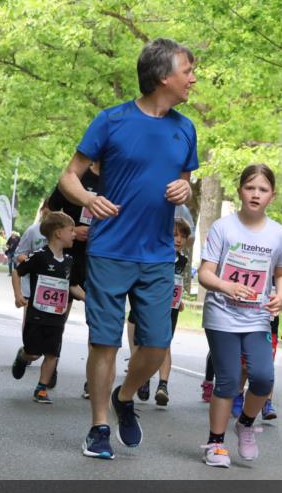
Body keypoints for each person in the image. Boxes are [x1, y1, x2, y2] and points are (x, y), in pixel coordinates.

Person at [58, 37, 198, 460]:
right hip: (110, 249)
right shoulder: (111, 120)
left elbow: (185, 184)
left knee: (155, 344)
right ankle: (100, 426)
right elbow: (69, 176)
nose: (193, 78)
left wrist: (184, 188)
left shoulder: (185, 128)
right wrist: (87, 199)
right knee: (104, 342)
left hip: (157, 254)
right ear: (162, 77)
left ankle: (126, 395)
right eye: (187, 70)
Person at [197, 164, 282, 468]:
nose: (255, 194)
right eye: (250, 187)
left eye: (262, 189)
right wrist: (227, 285)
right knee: (229, 379)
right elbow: (205, 274)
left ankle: (246, 424)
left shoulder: (279, 235)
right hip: (222, 315)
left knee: (263, 377)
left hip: (257, 317)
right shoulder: (224, 228)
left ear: (271, 196)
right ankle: (215, 443)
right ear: (240, 191)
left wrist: (281, 296)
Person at [11, 211, 85, 403]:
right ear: (58, 233)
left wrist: (89, 299)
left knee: (53, 353)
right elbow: (17, 272)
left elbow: (73, 286)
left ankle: (41, 388)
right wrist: (19, 295)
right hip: (37, 315)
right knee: (33, 352)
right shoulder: (39, 257)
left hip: (57, 317)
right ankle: (23, 356)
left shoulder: (69, 261)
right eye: (71, 230)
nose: (75, 234)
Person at [48, 162, 102, 399]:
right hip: (69, 255)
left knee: (98, 321)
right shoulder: (75, 176)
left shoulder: (117, 177)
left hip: (100, 259)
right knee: (59, 316)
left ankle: (93, 380)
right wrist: (72, 230)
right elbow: (48, 214)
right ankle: (49, 366)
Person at [137, 217, 191, 407]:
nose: (178, 240)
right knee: (148, 345)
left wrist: (179, 299)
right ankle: (143, 378)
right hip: (151, 307)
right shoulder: (155, 254)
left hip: (171, 309)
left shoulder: (183, 260)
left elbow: (176, 282)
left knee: (165, 344)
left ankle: (163, 386)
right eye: (174, 235)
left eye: (183, 236)